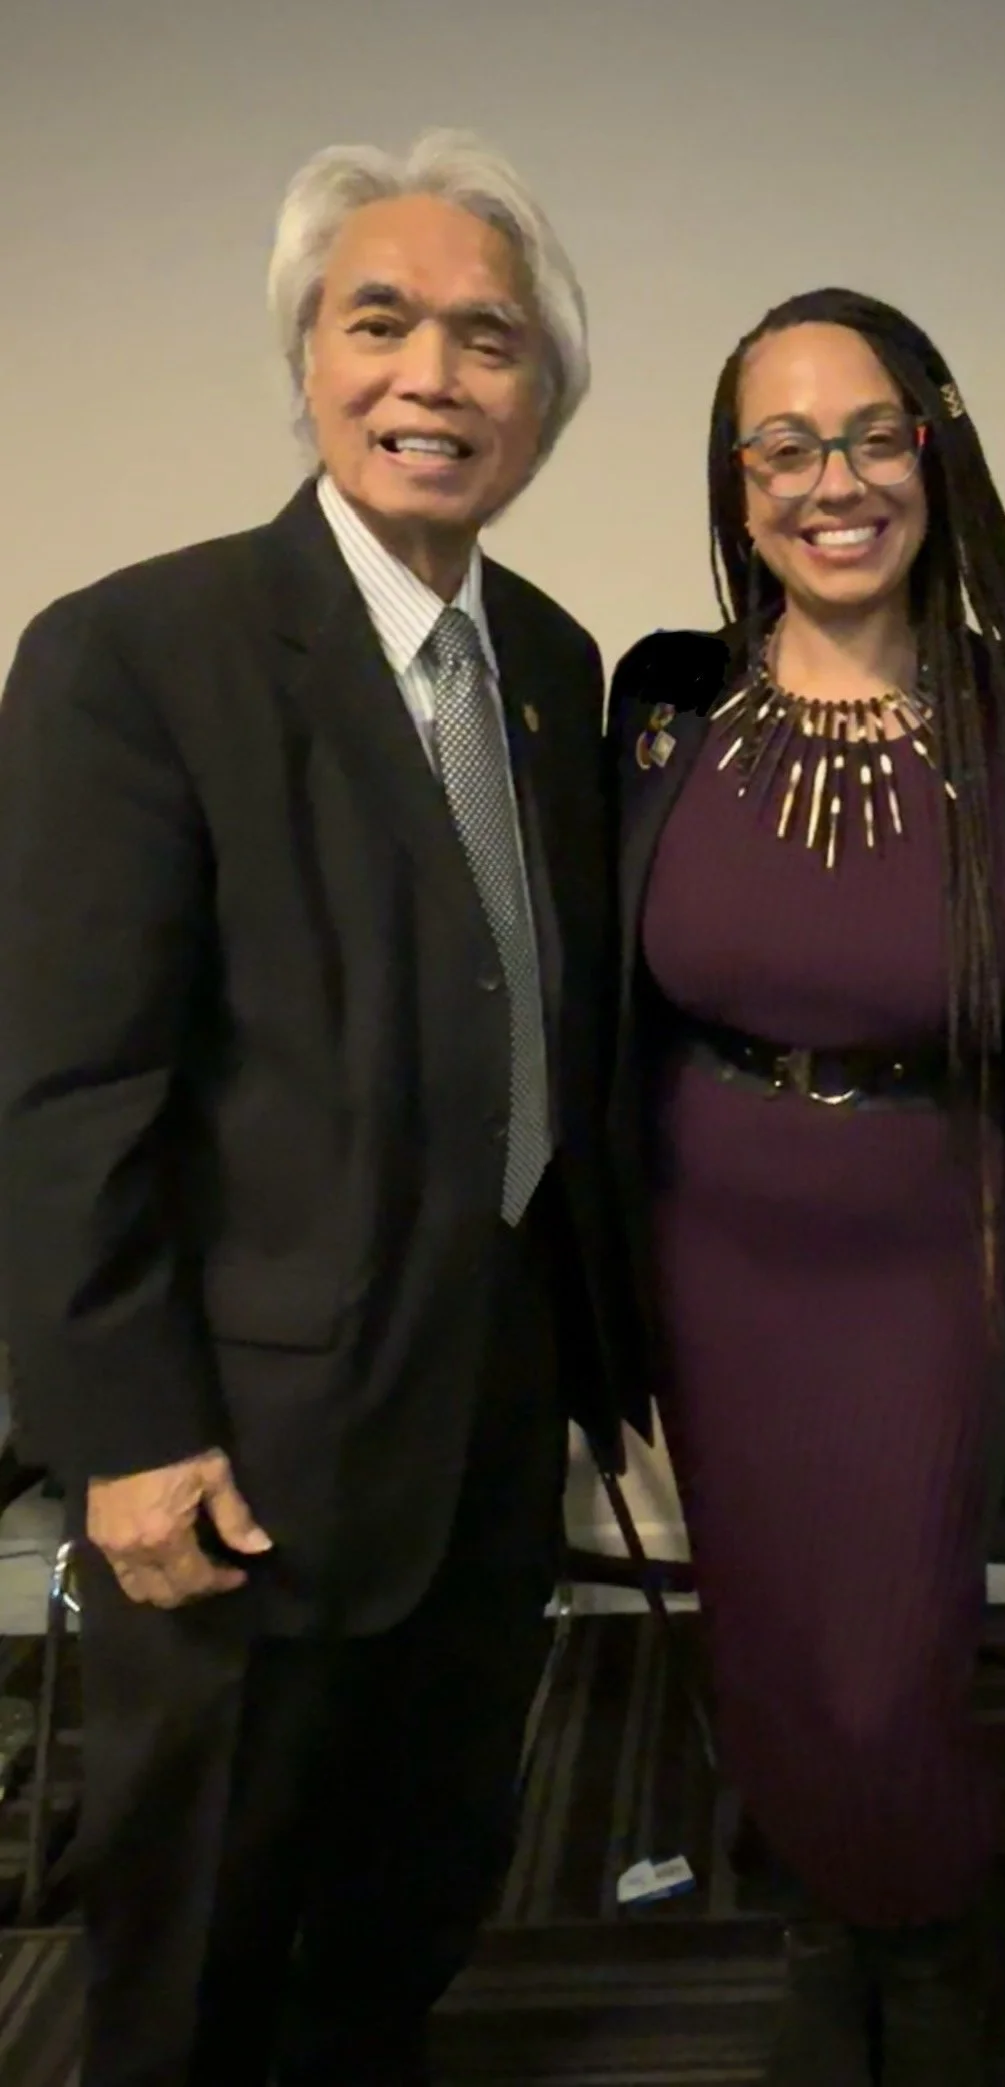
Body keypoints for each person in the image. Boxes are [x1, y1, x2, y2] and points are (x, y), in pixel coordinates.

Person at [0, 130, 634, 2086]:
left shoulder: (547, 660)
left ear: (542, 399)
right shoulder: (137, 653)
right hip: (239, 1441)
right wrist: (125, 1431)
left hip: (482, 1410)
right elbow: (65, 1079)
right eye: (381, 324)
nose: (430, 377)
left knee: (419, 1875)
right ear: (305, 360)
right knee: (197, 1923)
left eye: (486, 338)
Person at [609, 289, 1005, 2085]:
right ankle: (843, 1914)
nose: (834, 480)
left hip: (935, 1253)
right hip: (713, 1249)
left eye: (870, 433)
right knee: (767, 1633)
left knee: (896, 1650)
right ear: (739, 492)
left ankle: (925, 1909)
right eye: (785, 447)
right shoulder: (664, 707)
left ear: (935, 446)